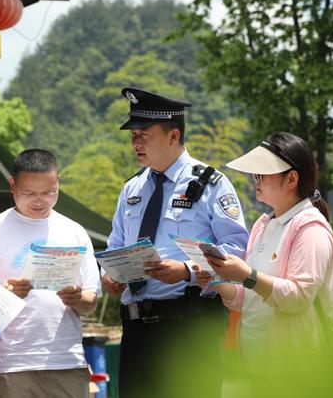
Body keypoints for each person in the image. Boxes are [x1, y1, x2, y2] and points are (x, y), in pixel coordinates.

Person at [101, 87, 249, 398]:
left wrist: (187, 271)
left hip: (189, 327)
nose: (136, 142)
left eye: (144, 134)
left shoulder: (211, 184)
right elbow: (115, 246)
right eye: (133, 135)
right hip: (136, 329)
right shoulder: (131, 189)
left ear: (173, 135)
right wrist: (111, 276)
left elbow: (237, 252)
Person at [197, 132, 333, 390]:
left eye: (262, 175)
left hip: (295, 371)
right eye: (255, 175)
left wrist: (247, 275)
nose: (255, 181)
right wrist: (216, 282)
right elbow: (250, 297)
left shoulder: (311, 228)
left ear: (291, 179)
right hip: (258, 368)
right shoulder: (264, 225)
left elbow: (299, 296)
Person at [0, 149, 101, 398]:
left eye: (49, 192)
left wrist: (76, 298)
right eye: (28, 193)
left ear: (58, 181)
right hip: (13, 364)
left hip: (67, 361)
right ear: (12, 185)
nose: (40, 200)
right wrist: (5, 295)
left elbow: (91, 301)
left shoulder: (75, 232)